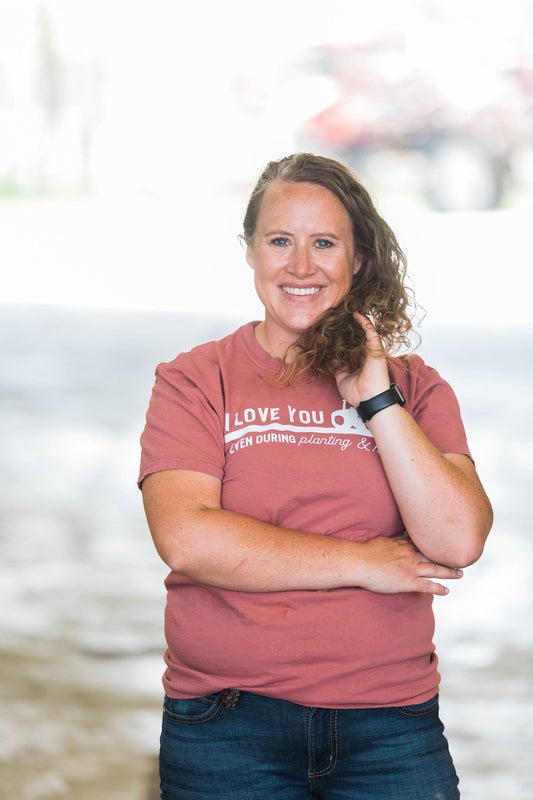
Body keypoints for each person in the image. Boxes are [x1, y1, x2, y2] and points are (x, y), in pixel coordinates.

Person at [138, 153, 493, 800]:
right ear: (249, 251)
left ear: (355, 259)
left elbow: (456, 540)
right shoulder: (196, 379)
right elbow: (189, 539)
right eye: (280, 241)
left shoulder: (414, 387)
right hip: (226, 720)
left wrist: (376, 399)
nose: (300, 266)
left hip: (389, 723)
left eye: (323, 243)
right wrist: (363, 563)